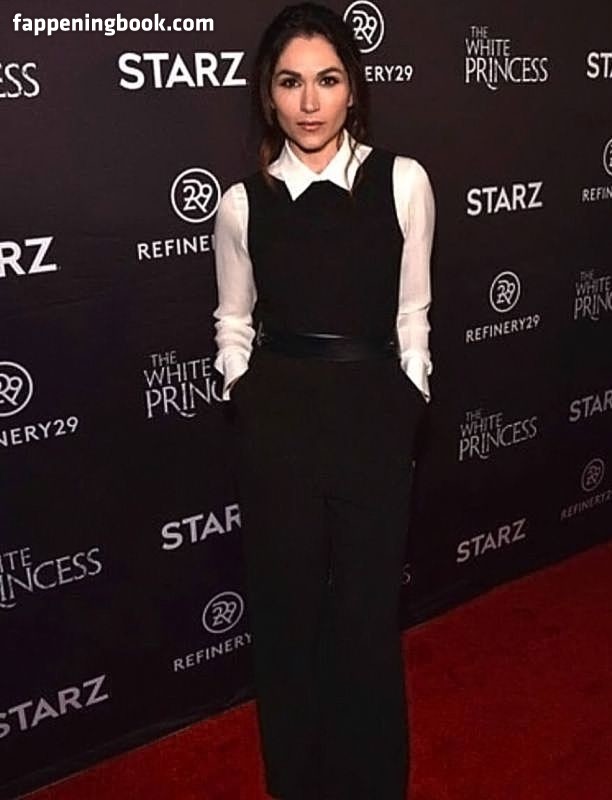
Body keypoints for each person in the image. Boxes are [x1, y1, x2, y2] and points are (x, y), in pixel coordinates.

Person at [212, 4, 435, 798]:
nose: (310, 102)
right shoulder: (241, 204)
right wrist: (241, 385)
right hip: (278, 426)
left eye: (328, 80)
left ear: (352, 90)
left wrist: (411, 388)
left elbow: (414, 312)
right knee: (286, 618)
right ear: (268, 95)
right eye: (290, 82)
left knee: (368, 619)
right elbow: (232, 319)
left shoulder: (403, 181)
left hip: (374, 419)